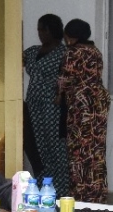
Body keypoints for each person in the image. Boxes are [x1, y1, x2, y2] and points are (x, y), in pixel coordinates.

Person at [58, 19, 110, 203]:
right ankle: (97, 195)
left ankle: (80, 197)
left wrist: (58, 98)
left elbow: (64, 81)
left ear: (71, 36)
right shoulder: (95, 51)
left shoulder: (72, 52)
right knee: (95, 150)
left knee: (79, 150)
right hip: (98, 103)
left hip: (82, 105)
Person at [23, 14, 70, 196]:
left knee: (56, 149)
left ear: (53, 30)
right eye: (38, 30)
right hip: (34, 105)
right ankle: (43, 188)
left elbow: (67, 78)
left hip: (53, 107)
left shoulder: (63, 53)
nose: (40, 33)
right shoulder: (33, 51)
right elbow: (13, 61)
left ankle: (60, 192)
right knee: (38, 148)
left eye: (43, 29)